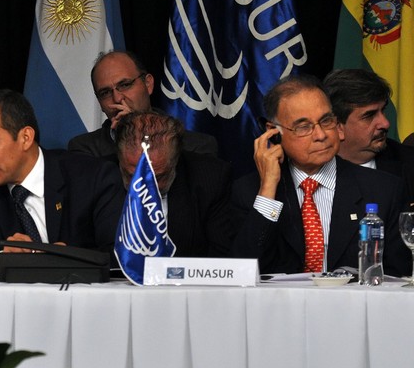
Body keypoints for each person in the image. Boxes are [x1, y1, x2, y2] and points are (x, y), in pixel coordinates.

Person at [230, 74, 408, 275]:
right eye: (303, 127)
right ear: (274, 132)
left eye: (326, 121)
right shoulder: (249, 191)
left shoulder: (383, 189)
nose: (321, 135)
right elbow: (242, 271)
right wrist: (268, 188)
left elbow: (398, 278)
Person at [0, 89, 125, 275]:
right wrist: (1, 259)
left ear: (25, 138)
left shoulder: (94, 177)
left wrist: (69, 258)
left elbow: (118, 252)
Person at [114, 110, 232, 257]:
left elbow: (222, 260)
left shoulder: (210, 179)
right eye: (133, 176)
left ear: (176, 161)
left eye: (157, 178)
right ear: (119, 160)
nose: (145, 188)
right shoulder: (97, 180)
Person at [67, 50, 218, 157]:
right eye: (105, 93)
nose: (118, 98)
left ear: (148, 84)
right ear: (99, 102)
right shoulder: (85, 150)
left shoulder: (195, 146)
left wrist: (139, 130)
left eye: (125, 85)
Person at [323, 68, 414, 208]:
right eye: (369, 116)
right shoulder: (311, 168)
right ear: (337, 125)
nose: (385, 123)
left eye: (382, 110)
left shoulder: (408, 163)